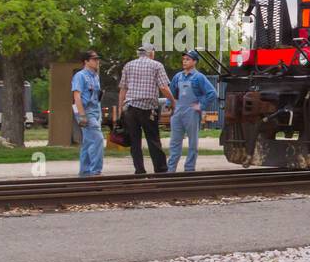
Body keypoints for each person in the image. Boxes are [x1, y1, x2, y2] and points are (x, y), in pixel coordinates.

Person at [118, 43, 175, 174]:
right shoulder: (156, 65)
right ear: (151, 53)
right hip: (148, 108)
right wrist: (172, 101)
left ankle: (139, 170)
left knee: (134, 141)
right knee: (153, 139)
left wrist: (121, 108)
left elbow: (123, 89)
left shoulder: (128, 65)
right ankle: (160, 170)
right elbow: (163, 87)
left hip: (130, 109)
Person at [167, 50, 218, 172]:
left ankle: (189, 170)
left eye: (188, 59)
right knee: (174, 143)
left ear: (194, 62)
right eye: (184, 59)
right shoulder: (177, 77)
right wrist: (170, 105)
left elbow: (212, 93)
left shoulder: (199, 77)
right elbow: (172, 93)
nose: (184, 61)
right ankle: (170, 170)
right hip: (178, 112)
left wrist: (200, 106)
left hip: (192, 113)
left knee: (192, 144)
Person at [70, 50, 104, 176]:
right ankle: (96, 171)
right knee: (98, 139)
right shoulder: (80, 76)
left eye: (97, 59)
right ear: (86, 61)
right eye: (94, 59)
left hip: (95, 111)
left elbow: (97, 96)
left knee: (88, 142)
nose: (97, 61)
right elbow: (77, 96)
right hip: (86, 111)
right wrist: (82, 114)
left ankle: (84, 172)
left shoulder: (95, 76)